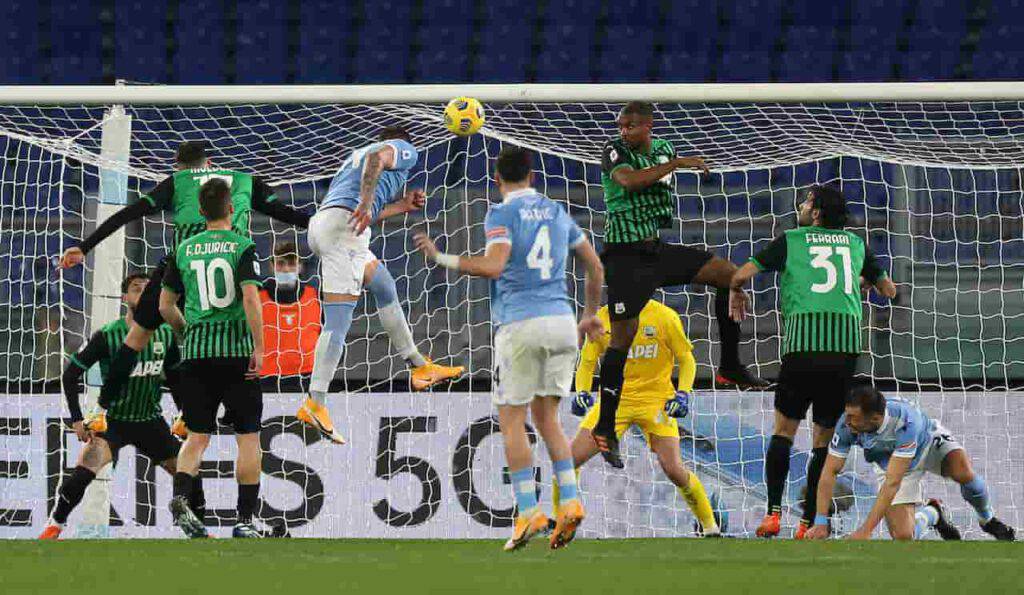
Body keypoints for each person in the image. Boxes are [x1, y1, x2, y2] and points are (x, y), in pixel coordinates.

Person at [413, 147, 604, 551]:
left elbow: (494, 266)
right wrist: (588, 315)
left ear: (497, 181)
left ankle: (528, 510)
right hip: (563, 323)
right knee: (548, 417)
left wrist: (439, 256)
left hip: (521, 323)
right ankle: (569, 500)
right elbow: (595, 266)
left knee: (512, 420)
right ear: (532, 175)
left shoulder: (500, 214)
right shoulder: (556, 211)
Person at [57, 141, 309, 431]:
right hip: (228, 270)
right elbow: (288, 214)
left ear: (178, 167)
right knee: (227, 337)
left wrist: (84, 247)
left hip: (181, 267)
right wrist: (326, 227)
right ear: (210, 163)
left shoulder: (177, 182)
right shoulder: (246, 181)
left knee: (137, 338)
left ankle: (101, 410)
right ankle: (220, 410)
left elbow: (128, 214)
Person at [594, 100, 766, 469]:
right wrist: (675, 165)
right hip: (623, 256)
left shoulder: (663, 148)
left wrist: (670, 164)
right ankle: (606, 427)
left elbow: (653, 186)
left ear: (648, 126)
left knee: (730, 274)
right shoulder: (613, 150)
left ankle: (730, 365)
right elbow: (627, 180)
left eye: (631, 126)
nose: (623, 131)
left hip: (655, 251)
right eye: (621, 125)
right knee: (622, 337)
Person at [729, 184, 897, 538]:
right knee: (822, 441)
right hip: (843, 353)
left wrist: (735, 291)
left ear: (817, 213)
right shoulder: (856, 244)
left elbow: (741, 273)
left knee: (784, 432)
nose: (802, 206)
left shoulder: (792, 239)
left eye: (807, 202)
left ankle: (773, 514)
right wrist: (862, 282)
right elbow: (890, 290)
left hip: (802, 349)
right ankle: (807, 523)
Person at [301, 125, 463, 444]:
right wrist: (367, 199)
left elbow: (365, 208)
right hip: (343, 233)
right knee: (338, 320)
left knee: (384, 285)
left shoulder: (353, 158)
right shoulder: (401, 149)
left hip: (330, 225)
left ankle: (419, 366)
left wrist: (400, 206)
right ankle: (315, 402)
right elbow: (378, 160)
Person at [39, 274, 204, 539]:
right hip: (113, 422)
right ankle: (55, 525)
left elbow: (175, 380)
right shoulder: (108, 335)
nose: (142, 292)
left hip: (149, 421)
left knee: (189, 470)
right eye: (135, 288)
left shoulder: (165, 334)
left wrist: (185, 413)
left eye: (147, 288)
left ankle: (200, 532)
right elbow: (70, 376)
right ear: (124, 298)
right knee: (84, 472)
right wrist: (77, 419)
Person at [560, 299, 720, 543]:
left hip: (656, 401)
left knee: (673, 469)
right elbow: (587, 361)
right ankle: (563, 523)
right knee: (569, 461)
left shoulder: (664, 316)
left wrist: (683, 393)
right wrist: (582, 391)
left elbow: (686, 359)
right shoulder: (603, 318)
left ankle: (710, 527)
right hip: (614, 402)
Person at [159, 178, 266, 539]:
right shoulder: (243, 245)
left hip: (197, 355)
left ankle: (181, 499)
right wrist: (260, 346)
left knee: (196, 437)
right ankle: (245, 520)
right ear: (232, 209)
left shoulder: (183, 249)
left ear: (201, 212)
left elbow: (164, 306)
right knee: (248, 438)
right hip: (237, 356)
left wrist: (186, 330)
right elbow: (250, 299)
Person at [806, 386, 1015, 541]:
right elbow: (829, 471)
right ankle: (933, 513)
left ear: (875, 418)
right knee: (904, 536)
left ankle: (987, 520)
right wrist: (820, 522)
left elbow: (892, 484)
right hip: (891, 463)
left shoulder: (906, 421)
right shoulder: (846, 426)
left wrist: (865, 531)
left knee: (964, 472)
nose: (846, 421)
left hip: (928, 444)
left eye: (853, 417)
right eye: (847, 415)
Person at [260, 241, 321, 382]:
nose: (286, 269)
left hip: (307, 377)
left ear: (300, 267)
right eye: (281, 264)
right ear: (271, 266)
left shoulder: (316, 297)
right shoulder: (256, 299)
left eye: (292, 264)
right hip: (267, 378)